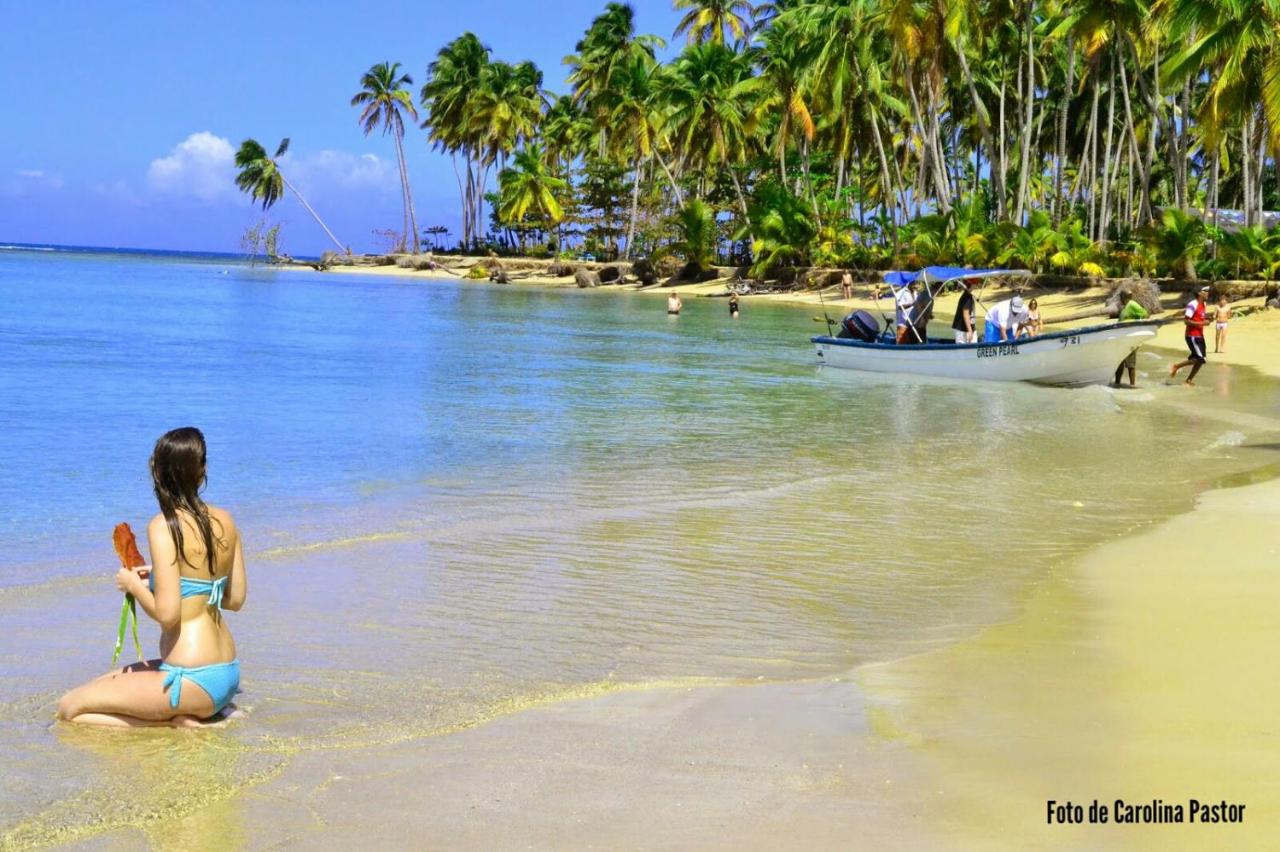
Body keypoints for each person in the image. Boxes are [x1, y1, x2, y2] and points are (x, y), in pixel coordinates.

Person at [58, 428, 246, 726]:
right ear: (202, 469)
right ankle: (209, 711)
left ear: (157, 472)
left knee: (69, 708)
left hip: (189, 678)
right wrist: (160, 580)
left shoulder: (163, 526)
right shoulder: (226, 520)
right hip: (226, 673)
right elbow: (234, 599)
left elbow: (168, 615)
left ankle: (174, 722)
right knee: (101, 682)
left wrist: (133, 584)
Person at [1169, 285, 1211, 385]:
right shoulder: (1193, 304)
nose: (1208, 293)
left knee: (1201, 360)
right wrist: (1203, 323)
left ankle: (1189, 380)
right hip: (1192, 335)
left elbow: (1200, 317)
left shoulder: (1204, 304)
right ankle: (1177, 366)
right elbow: (1187, 321)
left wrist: (1208, 319)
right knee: (1200, 358)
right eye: (1205, 291)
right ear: (1200, 293)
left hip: (1199, 335)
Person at [1112, 289, 1150, 387]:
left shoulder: (1132, 304)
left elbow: (1145, 314)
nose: (1120, 299)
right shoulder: (1126, 306)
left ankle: (1132, 386)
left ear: (1124, 297)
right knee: (1119, 363)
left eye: (1120, 297)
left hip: (1129, 340)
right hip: (1123, 340)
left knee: (1130, 364)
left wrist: (1133, 325)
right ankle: (1117, 383)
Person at [951, 278, 977, 344]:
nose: (977, 284)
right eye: (975, 282)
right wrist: (970, 330)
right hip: (961, 329)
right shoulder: (967, 297)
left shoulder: (969, 296)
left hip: (969, 328)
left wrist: (971, 330)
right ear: (971, 284)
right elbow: (966, 314)